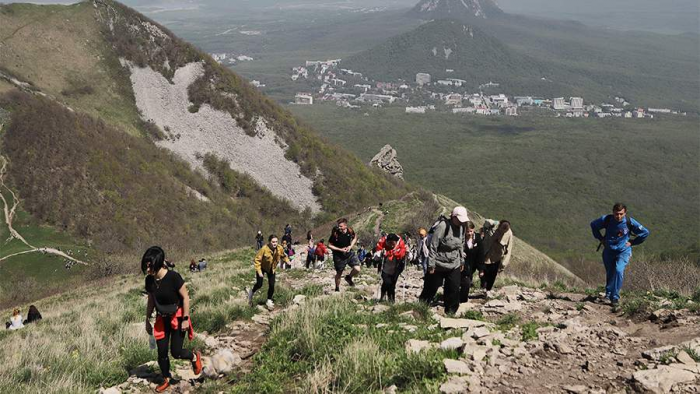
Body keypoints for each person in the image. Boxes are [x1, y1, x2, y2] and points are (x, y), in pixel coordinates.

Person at [142, 246, 202, 393]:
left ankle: (194, 357)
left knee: (176, 352)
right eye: (146, 266)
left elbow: (185, 297)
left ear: (158, 263)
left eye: (150, 266)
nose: (147, 269)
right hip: (162, 319)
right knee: (161, 353)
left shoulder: (173, 277)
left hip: (178, 317)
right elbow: (151, 300)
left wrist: (186, 319)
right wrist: (147, 319)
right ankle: (166, 378)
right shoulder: (149, 280)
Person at [590, 203, 649, 311]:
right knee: (610, 272)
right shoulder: (606, 219)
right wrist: (600, 239)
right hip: (609, 251)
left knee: (618, 270)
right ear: (613, 212)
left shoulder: (629, 222)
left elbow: (645, 232)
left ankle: (615, 297)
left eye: (621, 214)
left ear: (625, 213)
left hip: (623, 251)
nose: (619, 216)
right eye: (616, 214)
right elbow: (593, 225)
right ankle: (608, 295)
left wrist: (633, 242)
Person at [419, 206, 469, 315]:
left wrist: (461, 260)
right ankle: (421, 306)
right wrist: (431, 264)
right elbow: (433, 245)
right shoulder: (443, 226)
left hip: (454, 262)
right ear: (454, 217)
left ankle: (451, 312)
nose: (461, 222)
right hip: (438, 263)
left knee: (454, 287)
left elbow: (461, 245)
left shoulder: (462, 228)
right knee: (432, 286)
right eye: (459, 220)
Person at [247, 234, 289, 310]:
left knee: (272, 285)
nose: (275, 243)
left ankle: (269, 300)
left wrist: (287, 261)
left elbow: (283, 255)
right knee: (259, 284)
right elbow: (257, 260)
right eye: (273, 242)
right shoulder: (264, 249)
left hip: (271, 268)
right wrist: (259, 272)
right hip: (262, 267)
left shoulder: (279, 248)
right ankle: (251, 293)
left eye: (276, 241)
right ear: (269, 242)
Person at [480, 220, 514, 295]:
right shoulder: (493, 225)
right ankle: (483, 286)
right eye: (502, 230)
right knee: (483, 272)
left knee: (492, 275)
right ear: (499, 226)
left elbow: (509, 250)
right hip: (486, 253)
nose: (502, 233)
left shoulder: (509, 234)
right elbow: (485, 225)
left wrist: (503, 264)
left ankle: (488, 290)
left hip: (496, 258)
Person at [328, 218, 361, 292]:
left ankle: (349, 277)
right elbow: (329, 245)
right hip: (338, 256)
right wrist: (340, 249)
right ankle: (337, 288)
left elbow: (355, 238)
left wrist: (350, 246)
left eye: (341, 226)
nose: (339, 228)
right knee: (339, 273)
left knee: (357, 269)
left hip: (349, 253)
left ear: (345, 226)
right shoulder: (335, 233)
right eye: (338, 226)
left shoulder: (350, 230)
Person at [375, 233, 407, 302]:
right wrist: (381, 253)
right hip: (385, 267)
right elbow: (376, 257)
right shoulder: (382, 243)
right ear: (386, 242)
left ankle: (391, 300)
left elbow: (404, 254)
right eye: (390, 243)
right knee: (386, 282)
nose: (392, 245)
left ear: (396, 242)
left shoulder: (401, 244)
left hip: (396, 267)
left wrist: (407, 254)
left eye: (393, 243)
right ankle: (382, 297)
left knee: (392, 284)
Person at [460, 223, 484, 303]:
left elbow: (480, 255)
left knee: (467, 280)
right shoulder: (461, 238)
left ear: (473, 230)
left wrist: (481, 269)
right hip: (461, 263)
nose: (469, 233)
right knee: (464, 280)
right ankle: (460, 298)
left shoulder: (478, 239)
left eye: (471, 231)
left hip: (472, 264)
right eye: (467, 232)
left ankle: (462, 299)